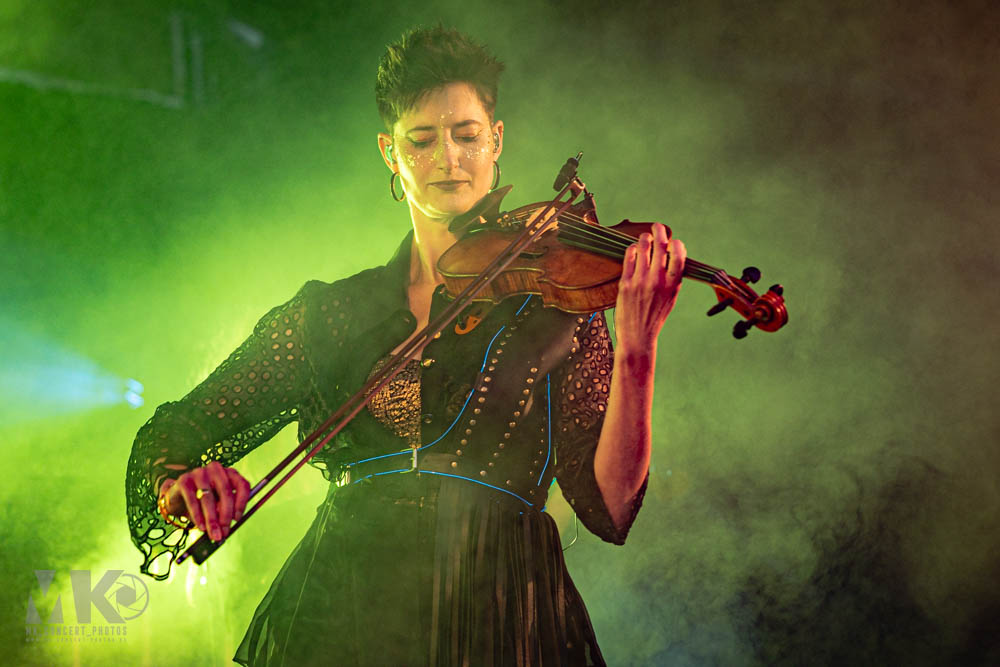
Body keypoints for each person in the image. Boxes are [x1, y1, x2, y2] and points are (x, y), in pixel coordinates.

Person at [125, 25, 685, 666]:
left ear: (496, 141)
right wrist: (179, 487)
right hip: (343, 609)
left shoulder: (556, 305)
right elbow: (171, 433)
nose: (448, 159)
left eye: (467, 135)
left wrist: (638, 350)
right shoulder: (328, 313)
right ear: (390, 153)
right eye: (422, 140)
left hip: (502, 610)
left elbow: (610, 508)